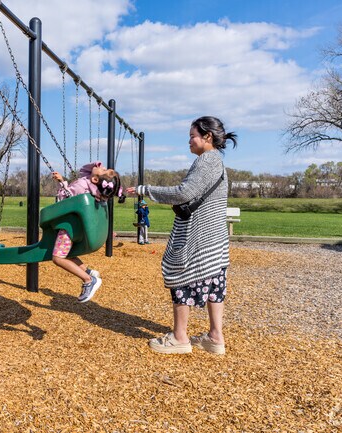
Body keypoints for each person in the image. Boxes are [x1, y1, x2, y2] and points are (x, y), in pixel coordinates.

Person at [127, 116, 237, 355]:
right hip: (214, 239)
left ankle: (179, 338)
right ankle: (215, 338)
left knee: (180, 276)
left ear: (207, 137)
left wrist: (144, 190)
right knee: (215, 284)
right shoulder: (216, 161)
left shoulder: (207, 161)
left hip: (198, 237)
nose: (189, 141)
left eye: (192, 136)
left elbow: (183, 192)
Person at [52, 161, 125, 303]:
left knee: (58, 258)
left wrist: (62, 184)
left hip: (69, 228)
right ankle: (88, 271)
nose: (101, 166)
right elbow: (85, 172)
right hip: (82, 229)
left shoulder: (82, 186)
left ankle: (88, 280)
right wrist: (95, 167)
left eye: (103, 169)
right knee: (69, 254)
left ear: (96, 179)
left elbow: (64, 200)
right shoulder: (97, 192)